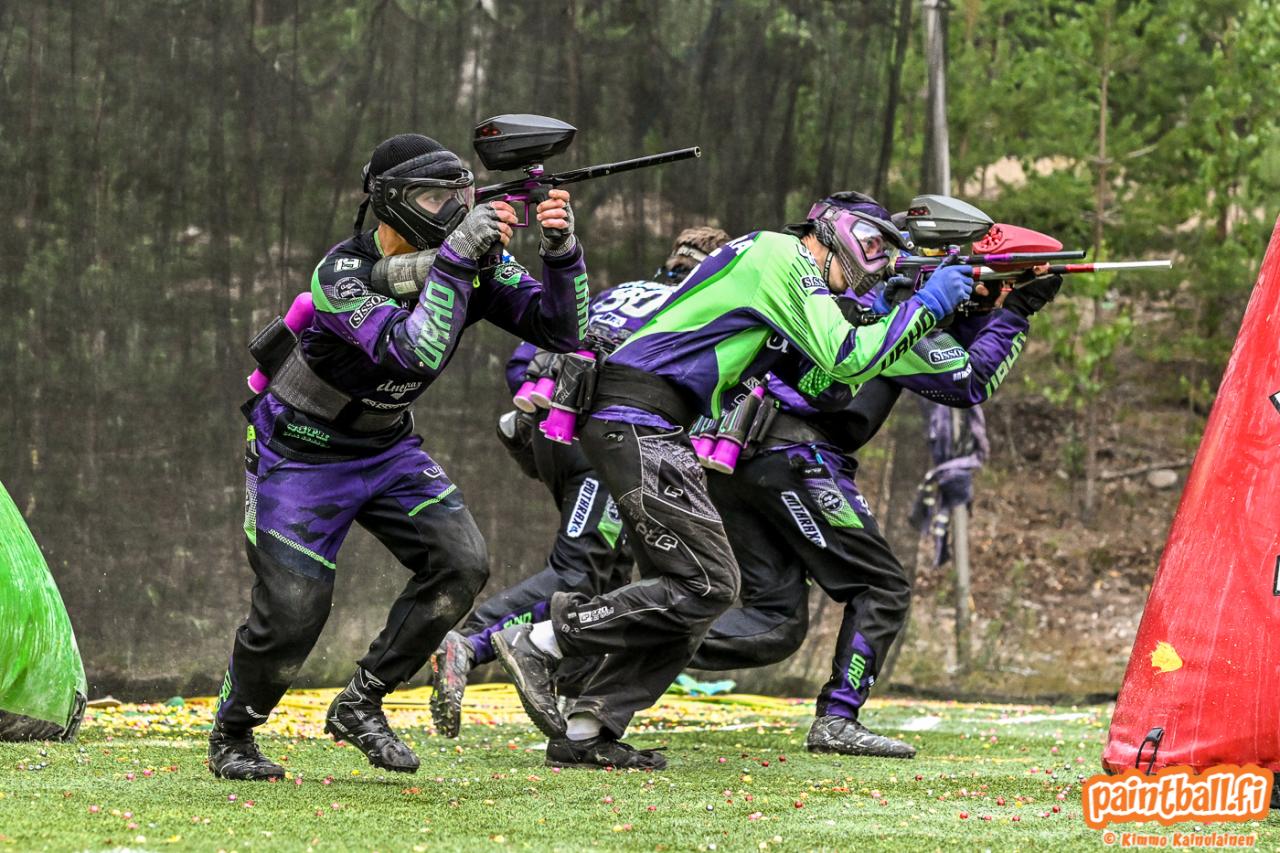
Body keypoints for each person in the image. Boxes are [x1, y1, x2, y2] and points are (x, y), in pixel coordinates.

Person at [492, 191, 977, 770]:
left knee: (697, 593)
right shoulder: (781, 256)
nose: (872, 266)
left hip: (651, 422)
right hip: (637, 414)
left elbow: (829, 385)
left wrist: (897, 312)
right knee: (707, 585)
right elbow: (847, 355)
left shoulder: (785, 281)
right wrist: (926, 304)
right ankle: (542, 640)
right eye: (871, 247)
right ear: (834, 230)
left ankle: (586, 728)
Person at [208, 133, 586, 781]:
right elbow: (415, 351)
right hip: (299, 453)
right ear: (391, 202)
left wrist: (561, 252)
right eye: (435, 198)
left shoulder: (475, 264)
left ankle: (363, 701)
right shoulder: (341, 276)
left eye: (460, 196)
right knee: (294, 611)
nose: (454, 210)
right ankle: (234, 732)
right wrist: (459, 258)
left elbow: (563, 330)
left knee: (460, 564)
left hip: (386, 448)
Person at [688, 268, 1063, 757]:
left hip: (733, 460)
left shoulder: (830, 302)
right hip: (797, 460)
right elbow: (969, 380)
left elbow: (947, 351)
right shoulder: (890, 320)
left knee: (774, 623)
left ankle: (615, 645)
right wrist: (1015, 313)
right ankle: (837, 720)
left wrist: (983, 310)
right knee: (881, 588)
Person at [428, 227, 732, 738]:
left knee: (610, 572)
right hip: (609, 437)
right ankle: (470, 643)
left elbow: (526, 361)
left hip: (554, 428)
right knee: (580, 570)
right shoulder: (688, 309)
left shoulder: (621, 293)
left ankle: (576, 707)